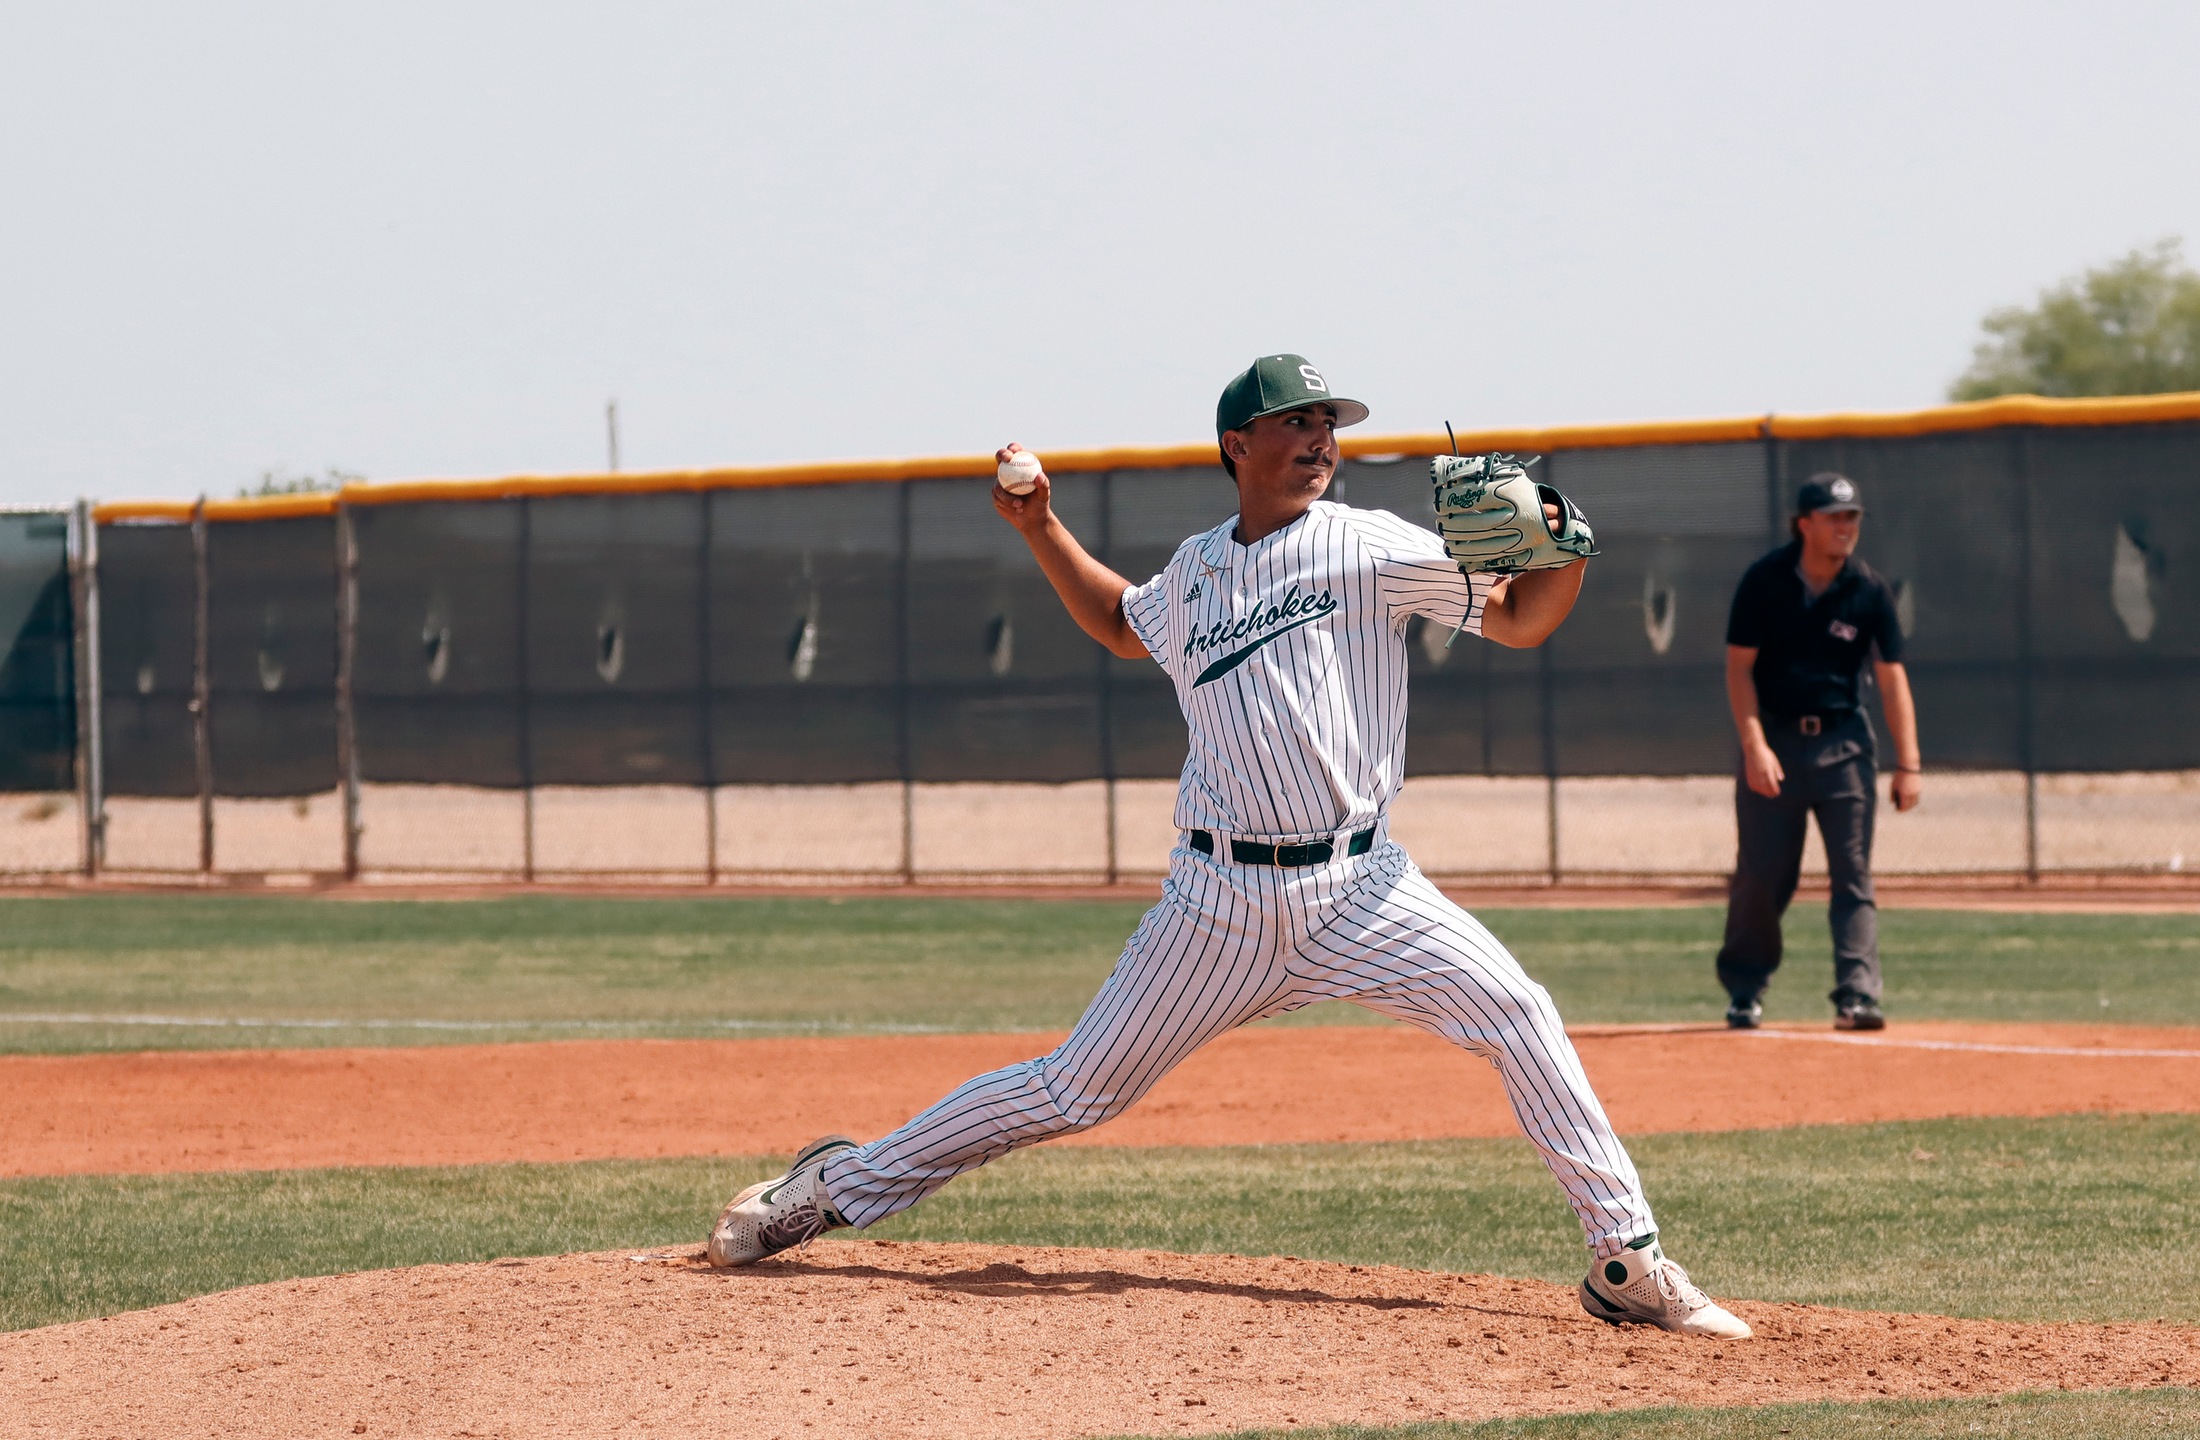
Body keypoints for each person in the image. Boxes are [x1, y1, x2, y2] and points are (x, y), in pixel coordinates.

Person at [707, 354, 1751, 1339]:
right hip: (1216, 902)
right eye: (1293, 422)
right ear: (1235, 444)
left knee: (1518, 1012)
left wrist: (1563, 542)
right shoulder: (1196, 570)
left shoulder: (1370, 545)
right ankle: (828, 1189)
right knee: (1074, 1089)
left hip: (1362, 889)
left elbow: (1524, 620)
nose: (1317, 438)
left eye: (1328, 423)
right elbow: (1123, 624)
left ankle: (1626, 1260)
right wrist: (1040, 526)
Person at [1717, 473, 1921, 1032]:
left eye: (1852, 517)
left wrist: (1909, 763)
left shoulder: (1869, 590)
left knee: (1853, 874)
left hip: (1844, 744)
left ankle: (1857, 996)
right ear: (1804, 523)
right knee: (1761, 876)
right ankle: (1745, 988)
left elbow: (1892, 676)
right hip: (1775, 742)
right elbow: (1739, 669)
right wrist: (1754, 745)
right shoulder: (1764, 581)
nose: (1846, 527)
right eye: (1835, 517)